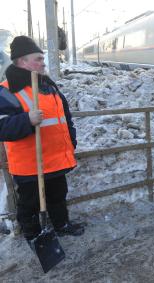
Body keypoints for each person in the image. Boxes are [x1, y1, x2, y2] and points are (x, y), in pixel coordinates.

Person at [0, 36, 84, 242]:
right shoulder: (7, 90)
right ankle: (34, 235)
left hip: (55, 158)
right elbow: (2, 127)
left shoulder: (47, 85)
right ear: (22, 61)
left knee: (57, 196)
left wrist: (70, 140)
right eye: (38, 58)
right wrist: (27, 120)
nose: (43, 62)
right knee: (29, 202)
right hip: (30, 164)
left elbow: (65, 117)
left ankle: (61, 225)